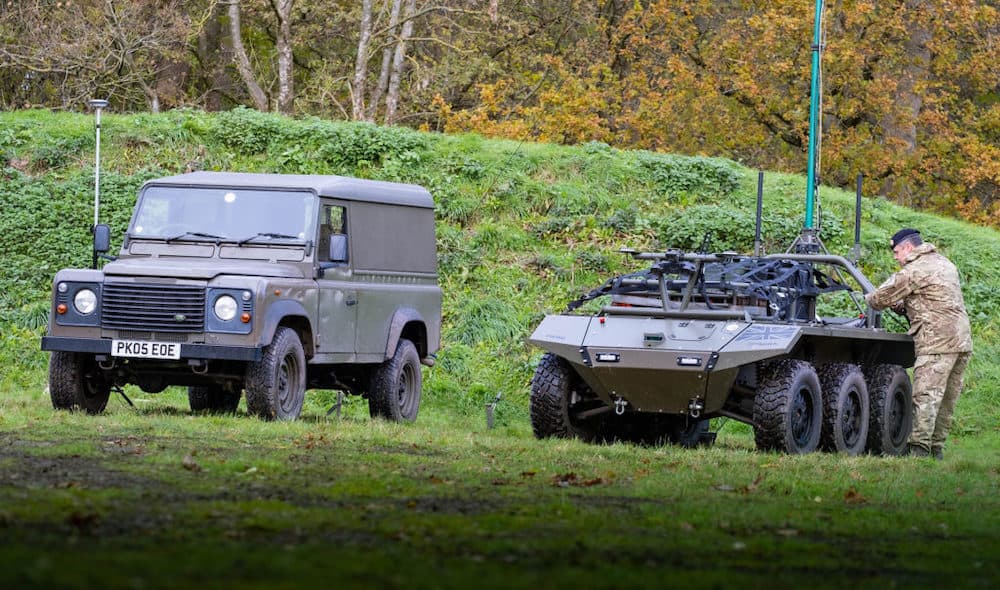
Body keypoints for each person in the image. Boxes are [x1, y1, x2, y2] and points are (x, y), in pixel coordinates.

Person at [865, 228, 973, 459]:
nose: (895, 257)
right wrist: (902, 305)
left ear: (907, 247)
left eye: (896, 251)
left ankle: (918, 451)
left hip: (937, 342)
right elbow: (931, 299)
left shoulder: (913, 271)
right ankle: (936, 449)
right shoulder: (944, 263)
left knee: (925, 397)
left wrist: (867, 295)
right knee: (945, 400)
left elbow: (878, 299)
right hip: (962, 341)